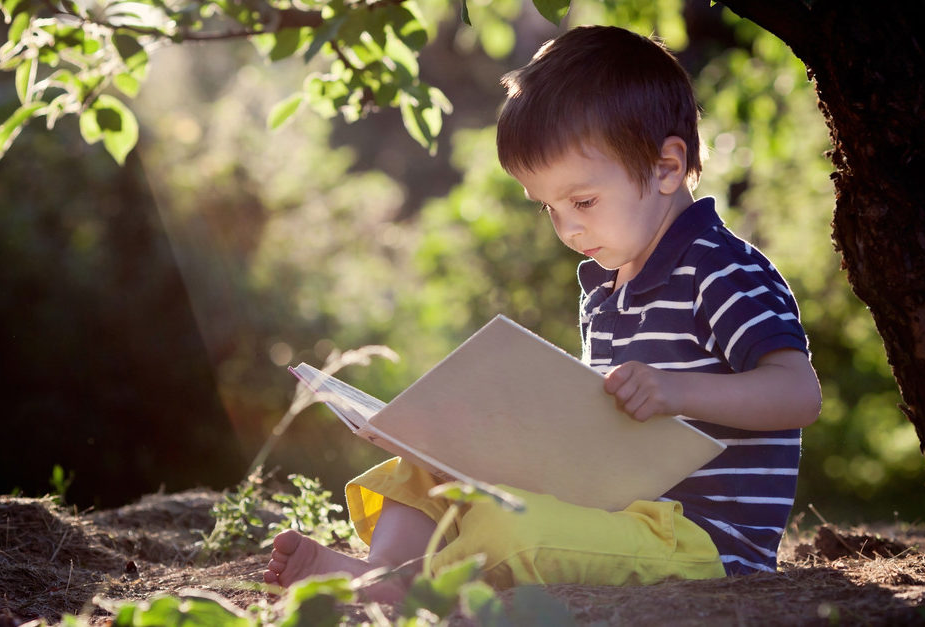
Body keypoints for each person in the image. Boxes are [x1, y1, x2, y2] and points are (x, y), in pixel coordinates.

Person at [264, 24, 821, 599]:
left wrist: (677, 391)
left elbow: (798, 394)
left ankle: (412, 590)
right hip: (609, 513)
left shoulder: (723, 270)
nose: (568, 227)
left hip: (701, 542)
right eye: (548, 208)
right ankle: (381, 571)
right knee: (425, 455)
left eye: (582, 201)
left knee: (515, 528)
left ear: (666, 168)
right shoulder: (604, 287)